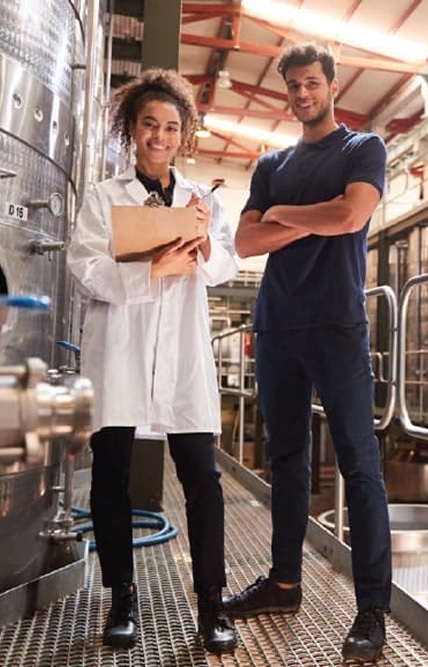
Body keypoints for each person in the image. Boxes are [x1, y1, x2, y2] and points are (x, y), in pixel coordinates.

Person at [221, 43, 392, 664]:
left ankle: (372, 606)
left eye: (312, 83)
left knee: (359, 463)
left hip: (338, 325)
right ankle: (284, 583)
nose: (301, 93)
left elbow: (352, 216)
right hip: (277, 325)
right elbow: (243, 241)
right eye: (292, 85)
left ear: (332, 85)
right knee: (286, 461)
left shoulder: (363, 149)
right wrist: (308, 218)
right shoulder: (270, 164)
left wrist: (285, 217)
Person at [67, 69, 239, 653]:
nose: (159, 136)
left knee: (203, 481)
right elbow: (85, 269)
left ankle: (212, 603)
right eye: (149, 125)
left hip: (182, 361)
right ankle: (122, 597)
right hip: (119, 353)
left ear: (183, 134)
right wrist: (150, 271)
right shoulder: (103, 198)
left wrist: (205, 243)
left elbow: (225, 267)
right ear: (131, 131)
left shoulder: (203, 201)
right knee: (111, 476)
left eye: (171, 127)